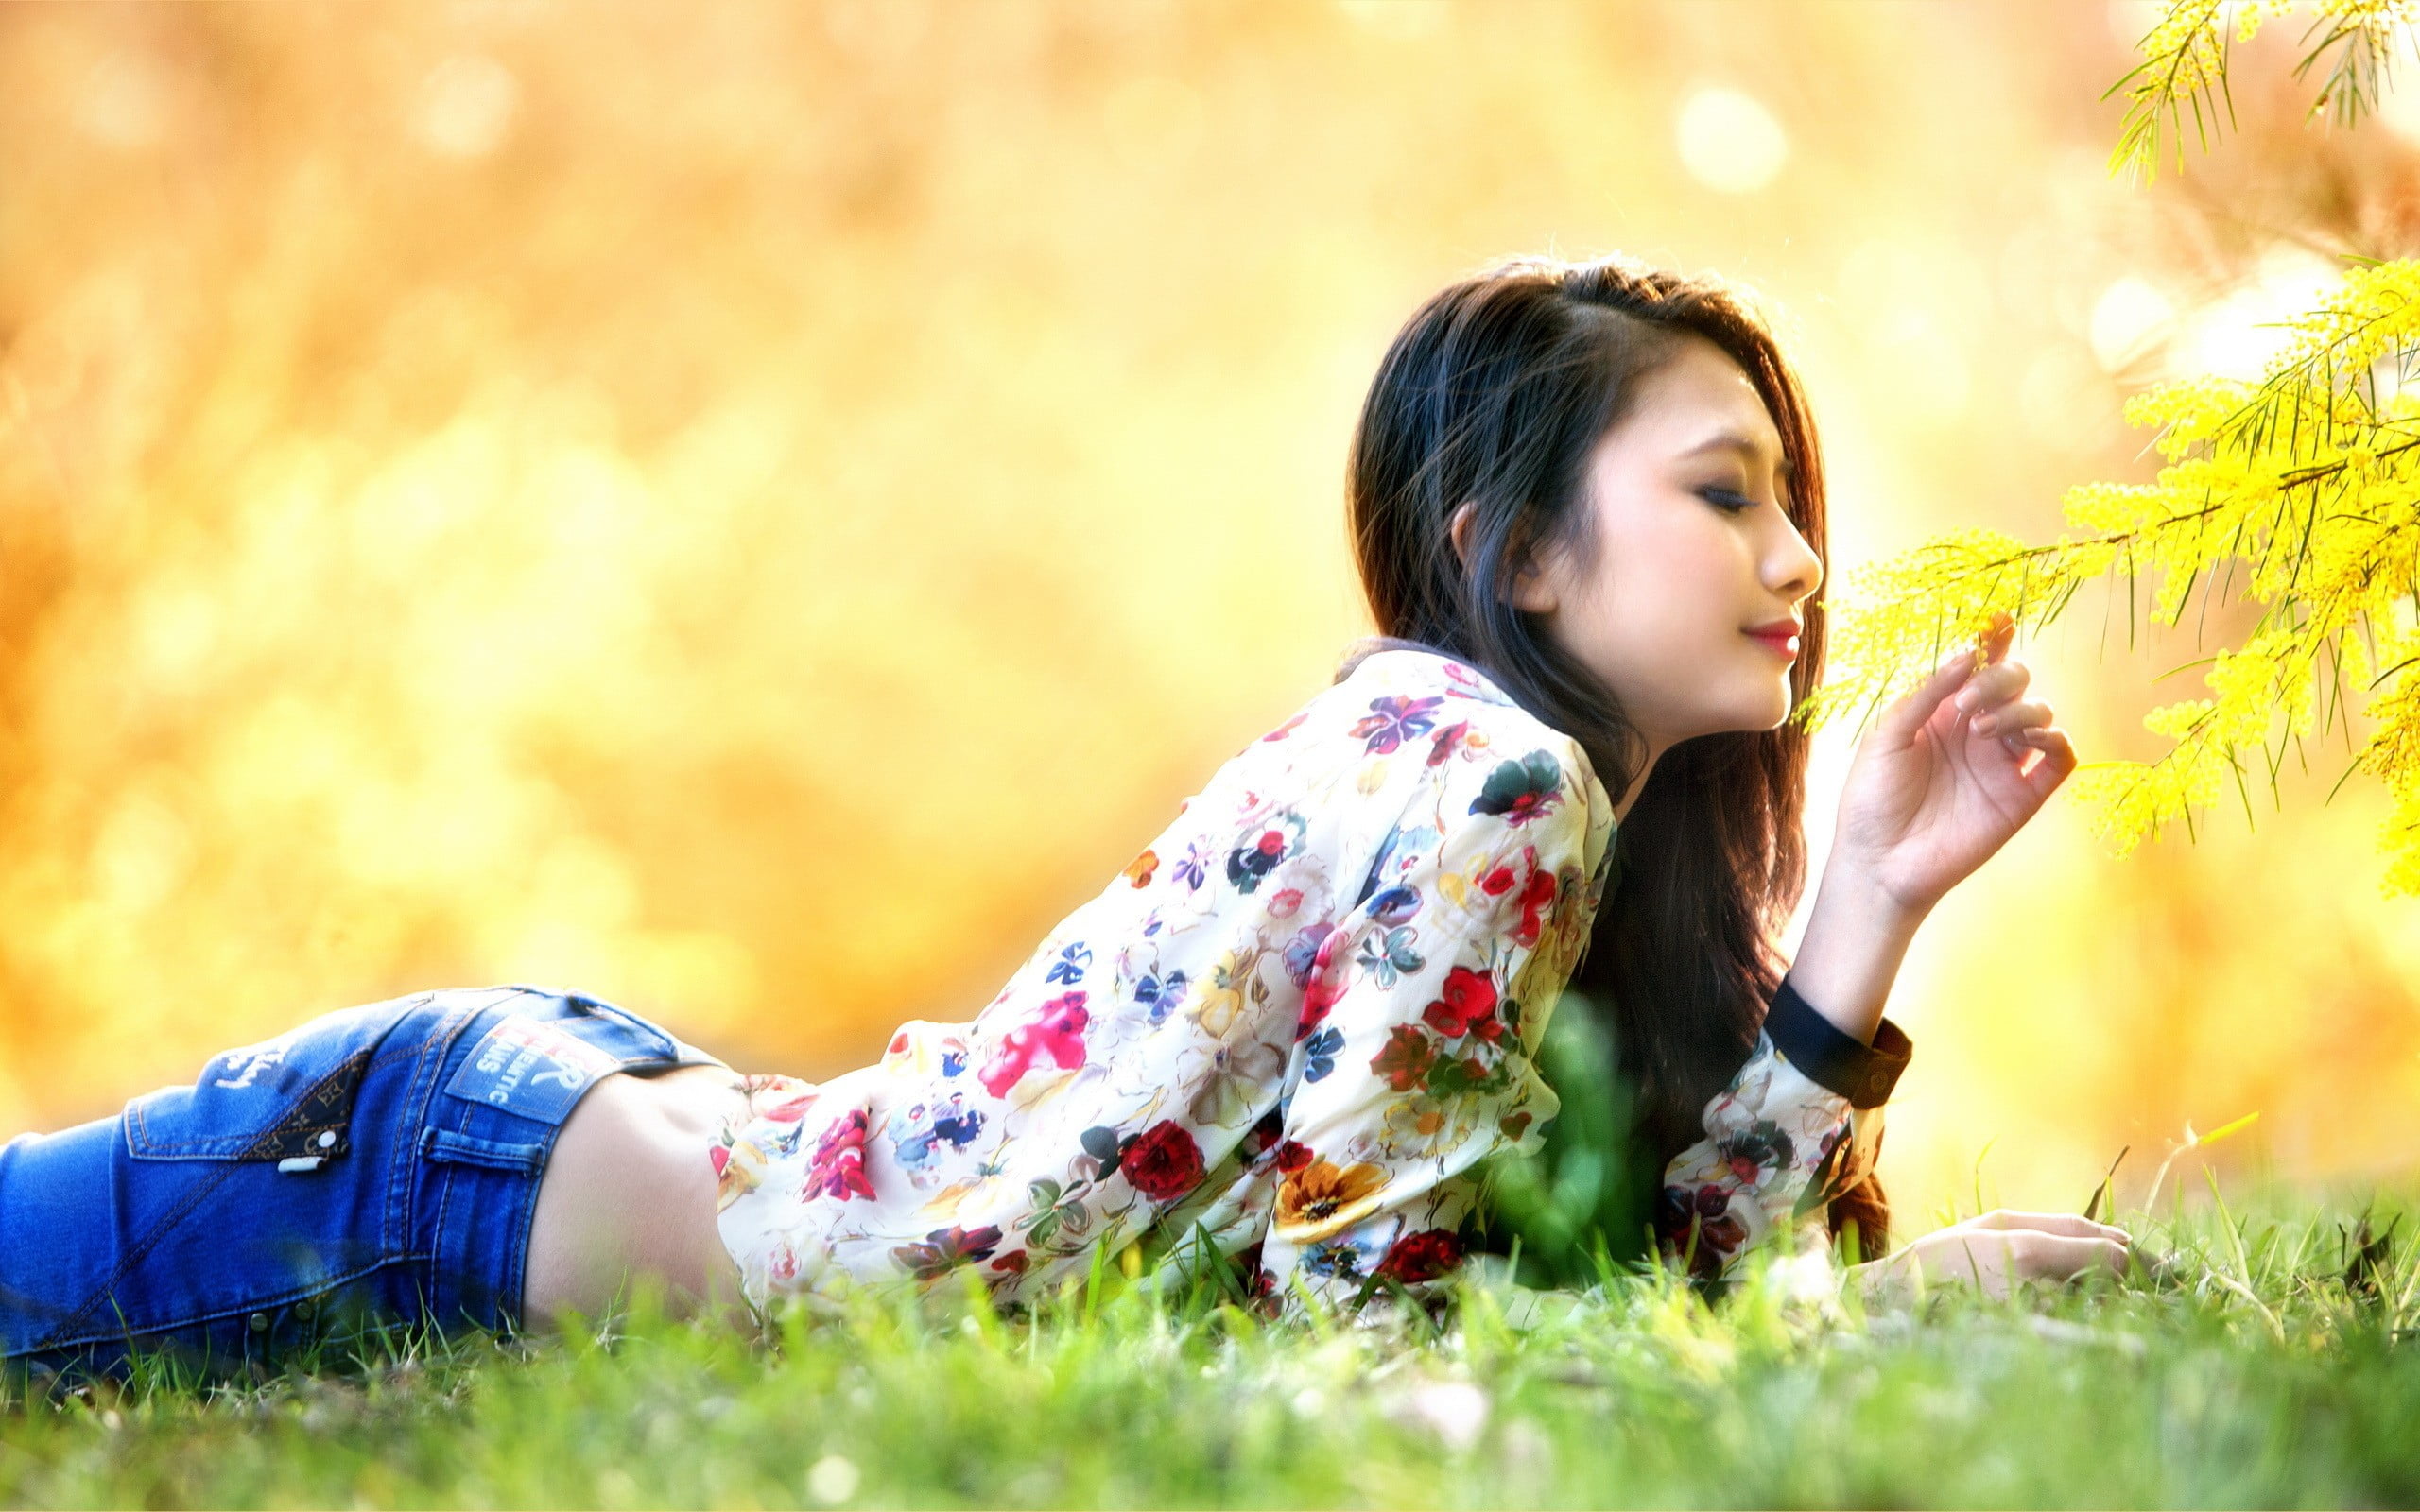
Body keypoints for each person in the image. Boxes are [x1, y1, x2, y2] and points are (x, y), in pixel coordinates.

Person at [0, 252, 2131, 1386]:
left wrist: (1863, 902)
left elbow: (1606, 1286)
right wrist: (1895, 1288)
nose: (1796, 561)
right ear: (1520, 554)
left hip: (540, 1134)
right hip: (425, 1185)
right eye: (1721, 490)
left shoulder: (1516, 801)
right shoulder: (1487, 776)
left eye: (1792, 501)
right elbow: (1378, 1346)